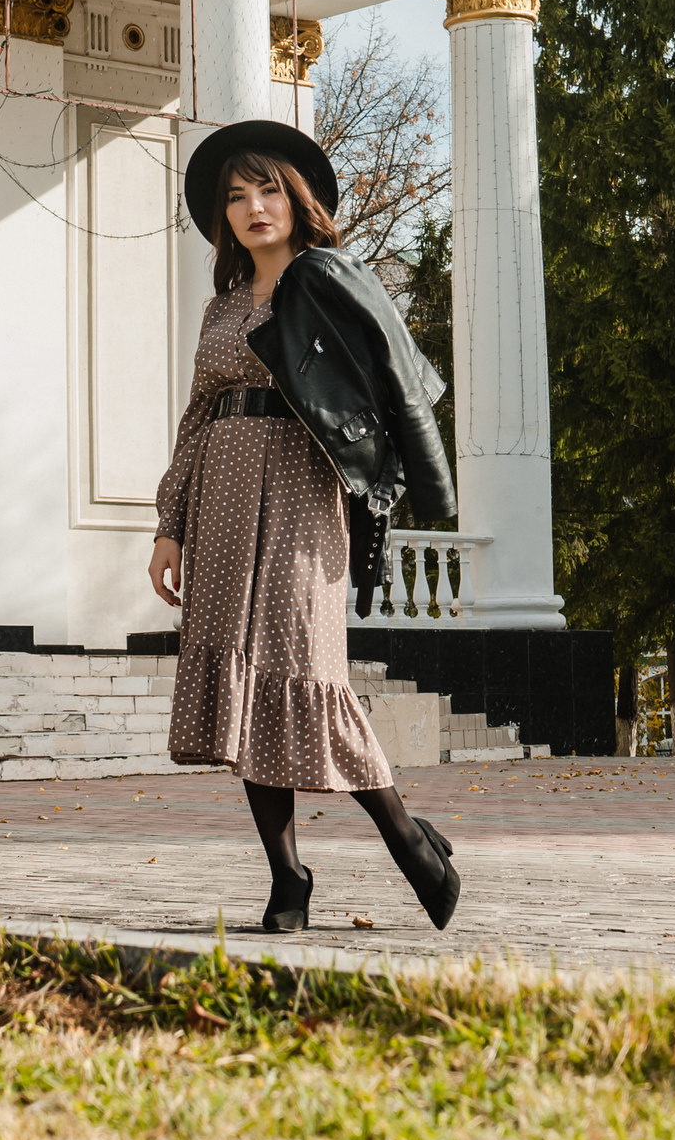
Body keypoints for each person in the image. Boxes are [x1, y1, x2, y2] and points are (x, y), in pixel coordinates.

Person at [146, 119, 462, 932]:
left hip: (300, 490)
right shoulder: (219, 309)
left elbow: (388, 378)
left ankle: (408, 840)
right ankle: (288, 878)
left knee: (307, 669)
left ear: (297, 199)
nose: (255, 206)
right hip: (218, 499)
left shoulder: (328, 283)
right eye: (237, 196)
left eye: (269, 189)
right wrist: (169, 524)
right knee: (247, 691)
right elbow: (196, 415)